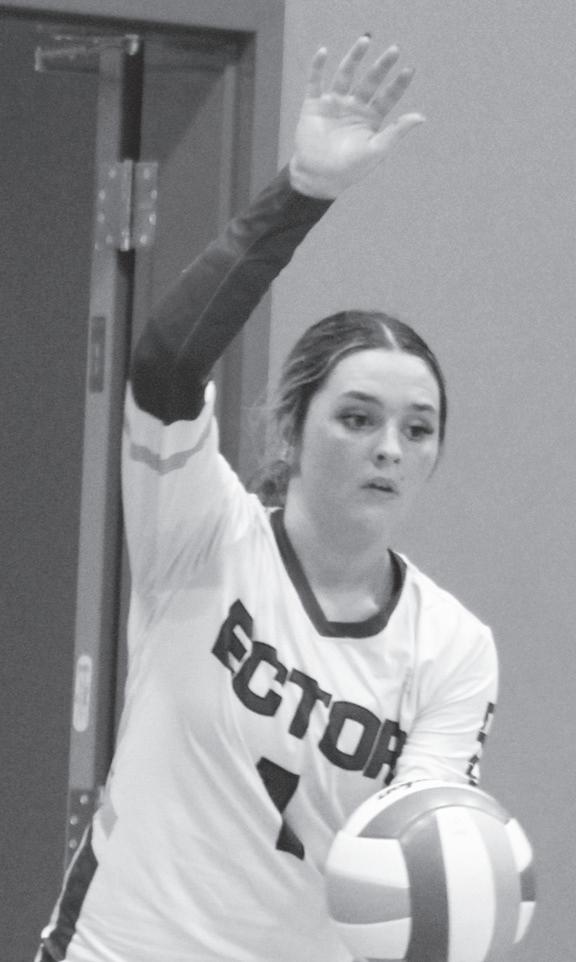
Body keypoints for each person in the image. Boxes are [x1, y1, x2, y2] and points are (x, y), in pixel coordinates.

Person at [36, 36, 497, 962]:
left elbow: (422, 855)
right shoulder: (202, 529)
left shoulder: (451, 647)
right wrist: (303, 192)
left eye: (417, 429)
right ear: (290, 431)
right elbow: (166, 362)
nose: (389, 447)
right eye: (357, 417)